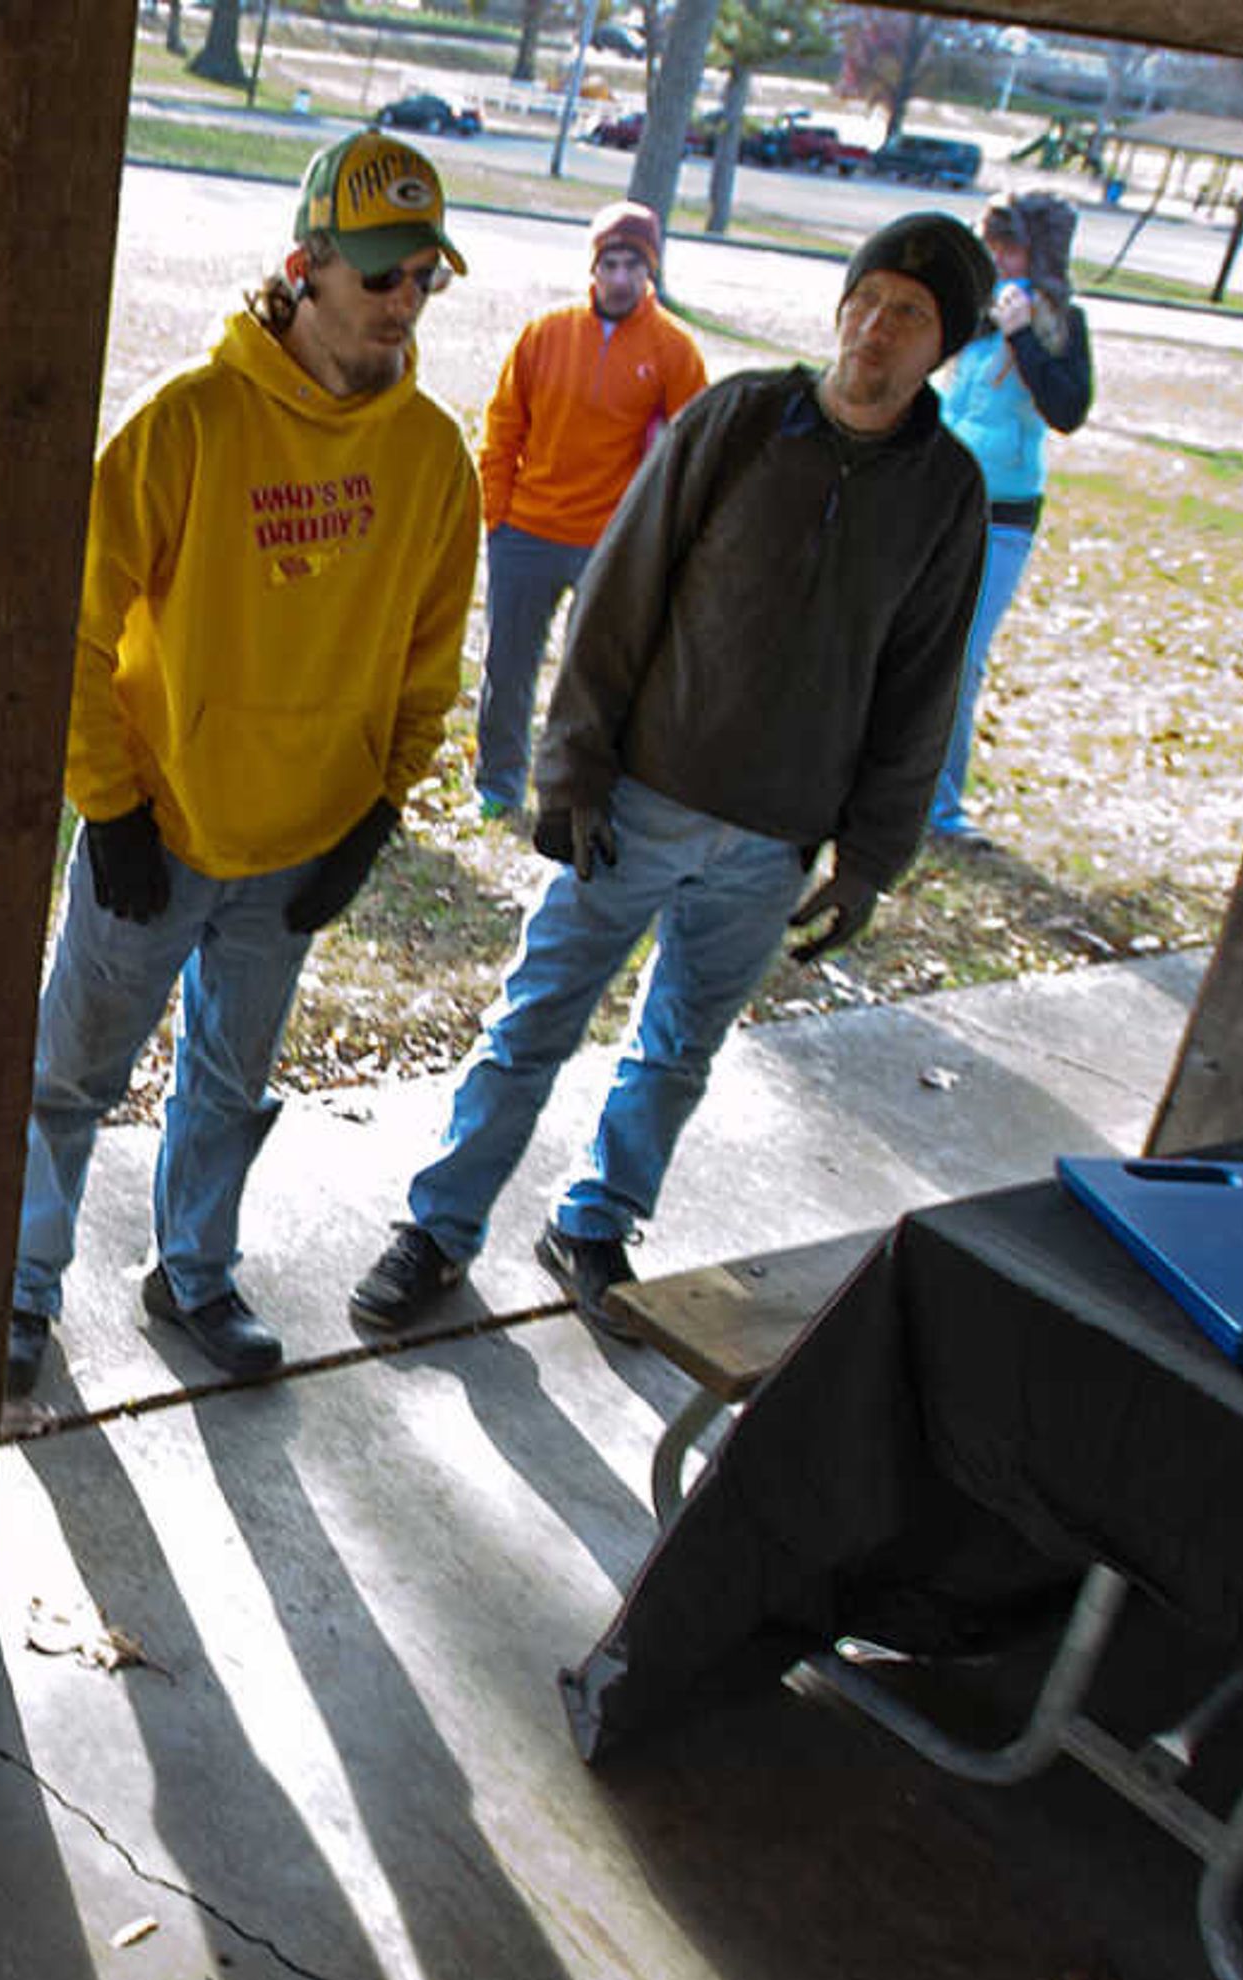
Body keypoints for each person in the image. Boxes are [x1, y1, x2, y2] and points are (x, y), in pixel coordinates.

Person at [350, 215, 990, 1340]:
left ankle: (597, 1220)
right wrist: (571, 768)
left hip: (772, 841)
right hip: (636, 804)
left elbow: (918, 684)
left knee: (679, 1049)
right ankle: (439, 1229)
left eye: (911, 316)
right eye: (869, 298)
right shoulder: (743, 419)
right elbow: (620, 590)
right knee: (534, 1020)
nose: (876, 329)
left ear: (945, 348)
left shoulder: (946, 493)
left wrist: (871, 861)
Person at [4, 130, 481, 1398]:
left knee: (230, 1084)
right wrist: (107, 804)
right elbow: (75, 620)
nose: (402, 301)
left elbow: (432, 657)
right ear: (304, 267)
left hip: (303, 842)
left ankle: (195, 1272)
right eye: (379, 274)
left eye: (423, 276)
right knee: (66, 1080)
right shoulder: (192, 426)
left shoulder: (432, 457)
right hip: (156, 831)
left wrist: (380, 810)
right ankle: (18, 1288)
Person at [470, 200, 708, 822]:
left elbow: (695, 449)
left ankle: (575, 790)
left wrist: (658, 535)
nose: (621, 277)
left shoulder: (674, 349)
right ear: (593, 266)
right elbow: (503, 425)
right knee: (508, 665)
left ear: (650, 269)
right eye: (611, 262)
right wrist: (497, 513)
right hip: (527, 529)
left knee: (597, 677)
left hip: (611, 542)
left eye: (634, 263)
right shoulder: (546, 333)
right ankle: (498, 784)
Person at [926, 189, 1093, 842]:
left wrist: (1023, 335)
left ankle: (942, 806)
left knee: (962, 658)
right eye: (991, 246)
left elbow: (1068, 408)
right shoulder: (975, 313)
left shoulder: (1058, 323)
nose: (999, 259)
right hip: (939, 499)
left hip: (1003, 516)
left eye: (1012, 247)